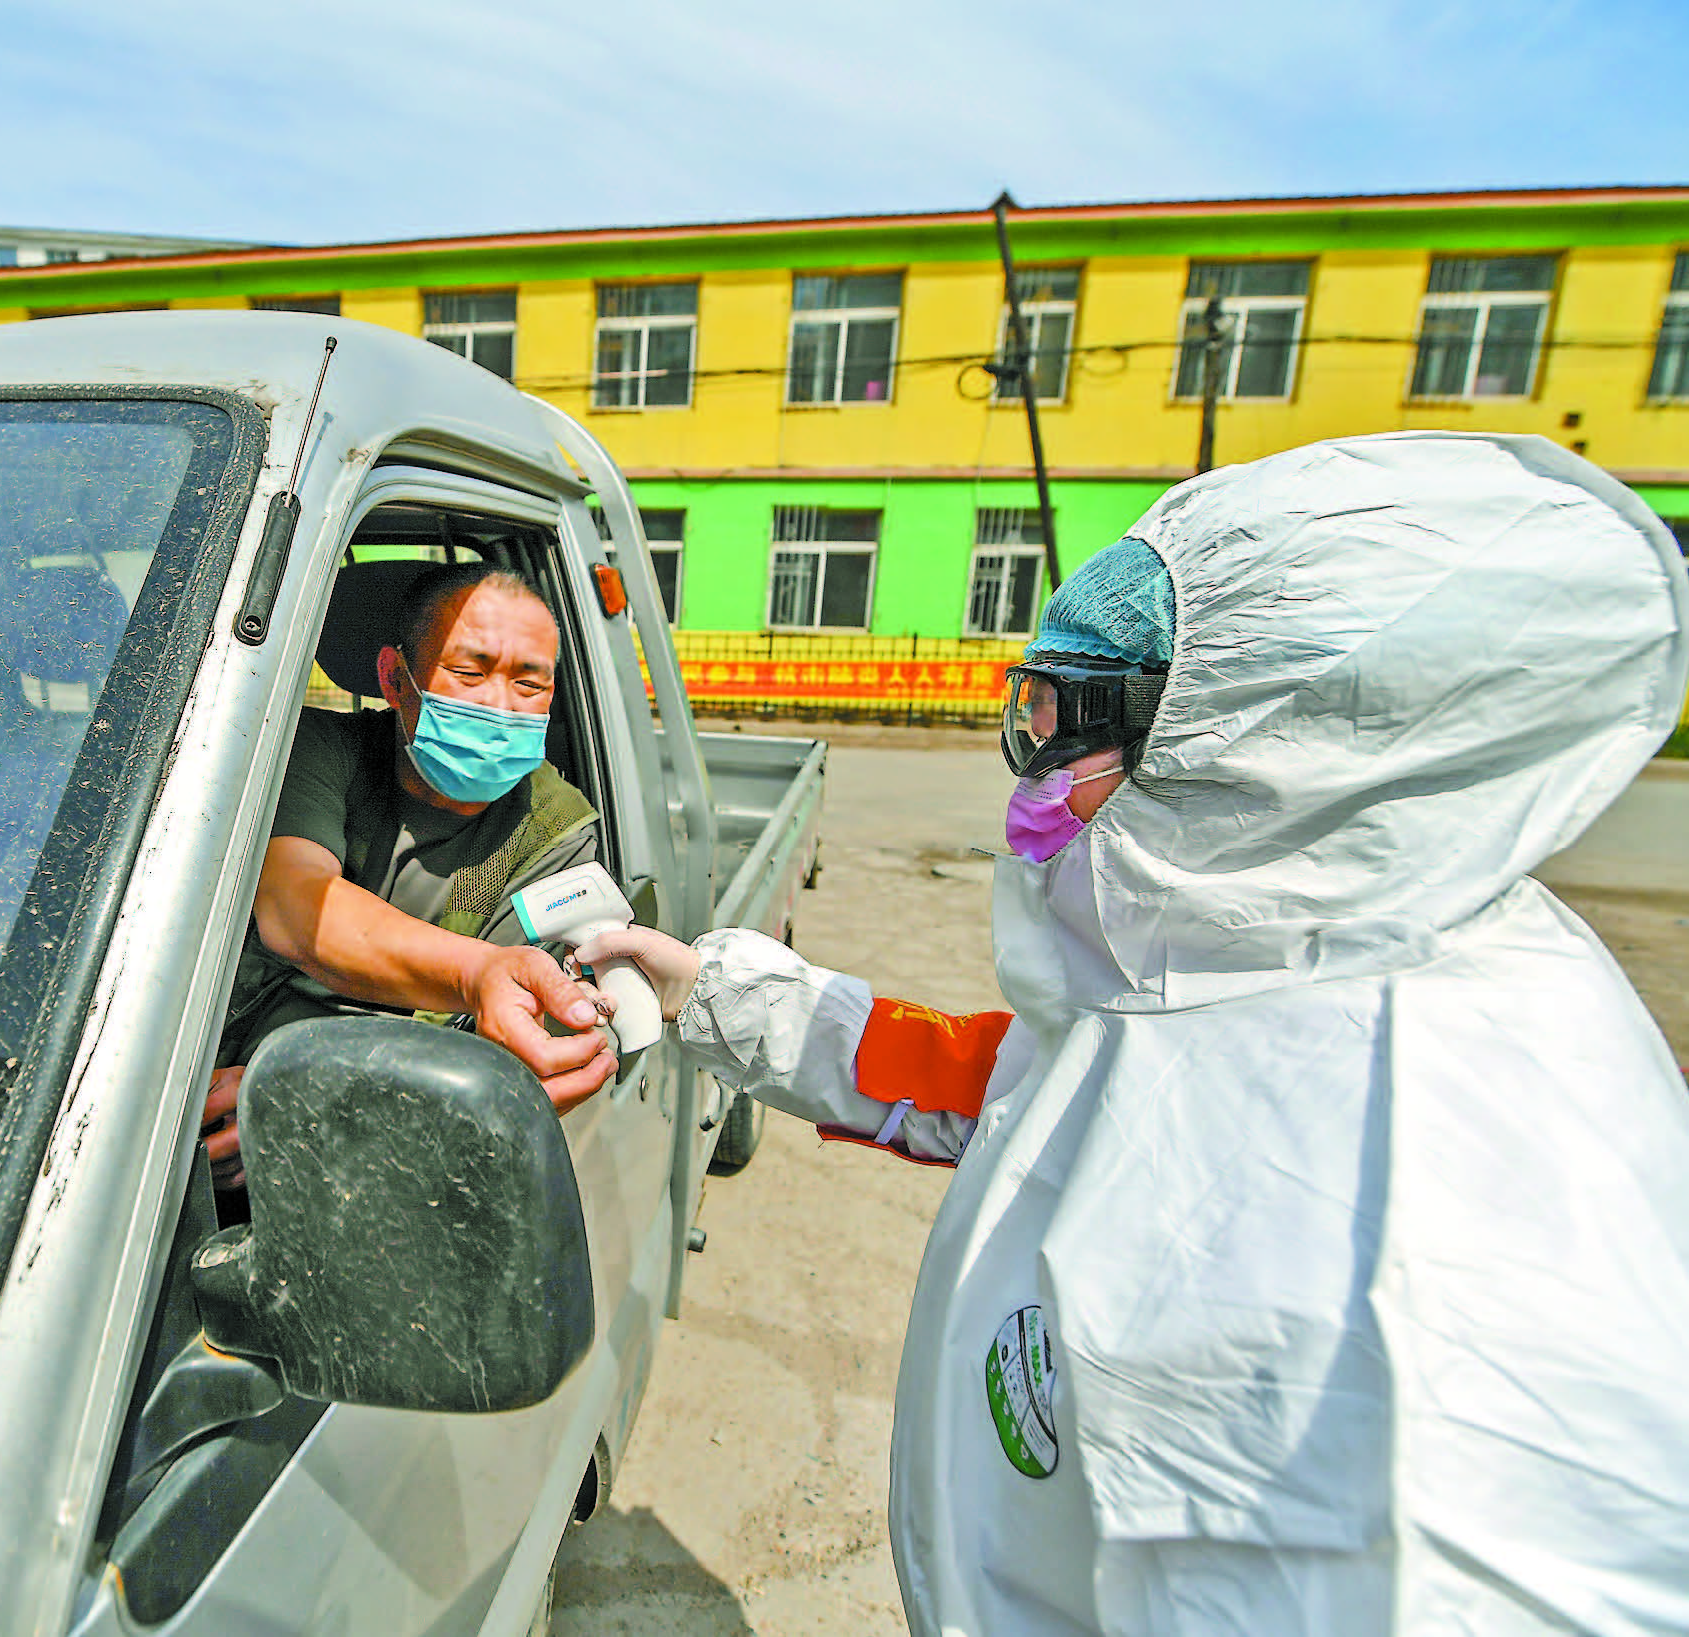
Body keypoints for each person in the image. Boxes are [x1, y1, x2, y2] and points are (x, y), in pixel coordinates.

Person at [581, 432, 1689, 1634]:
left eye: (1066, 725)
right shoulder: (1287, 959)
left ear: (1258, 756)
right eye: (1031, 712)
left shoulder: (1430, 1284)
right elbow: (1018, 1091)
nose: (1030, 776)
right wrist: (714, 991)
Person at [205, 564, 616, 1182]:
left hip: (382, 1143)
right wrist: (476, 972)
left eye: (530, 683)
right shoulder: (320, 750)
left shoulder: (554, 831)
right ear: (395, 679)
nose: (499, 705)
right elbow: (297, 908)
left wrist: (309, 1092)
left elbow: (492, 1043)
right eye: (470, 673)